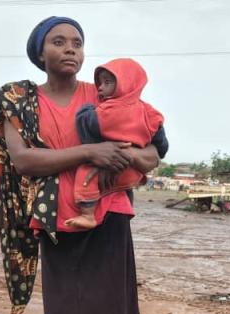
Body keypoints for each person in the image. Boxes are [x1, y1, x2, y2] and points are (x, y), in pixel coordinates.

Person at [0, 16, 168, 314]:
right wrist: (90, 151)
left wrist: (129, 156)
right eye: (58, 41)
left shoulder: (105, 95)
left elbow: (152, 150)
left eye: (77, 43)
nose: (70, 49)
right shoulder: (21, 101)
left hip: (110, 218)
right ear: (40, 51)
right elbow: (24, 160)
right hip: (58, 221)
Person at [65, 58, 166, 229]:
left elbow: (86, 126)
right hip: (132, 173)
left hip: (100, 176)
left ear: (124, 84)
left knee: (85, 172)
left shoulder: (105, 111)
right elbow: (161, 147)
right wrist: (135, 148)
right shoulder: (150, 113)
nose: (101, 88)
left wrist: (86, 109)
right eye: (100, 82)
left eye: (107, 82)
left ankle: (87, 215)